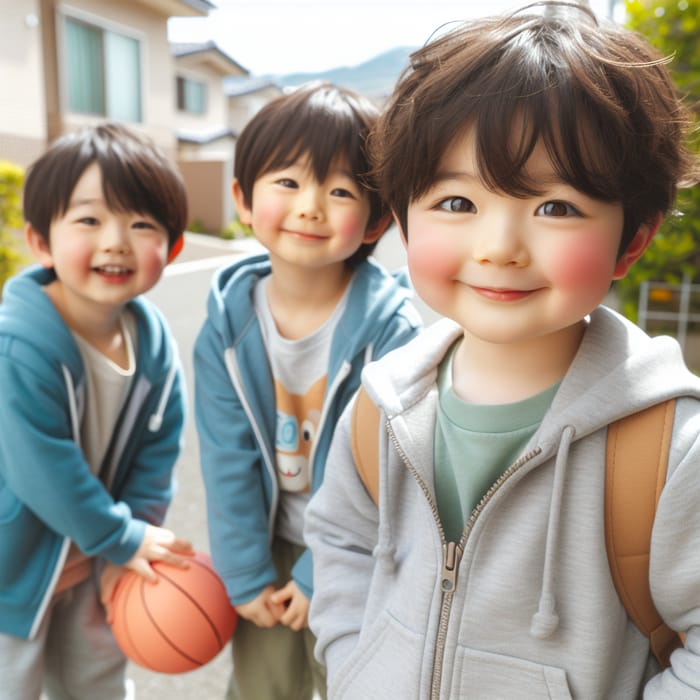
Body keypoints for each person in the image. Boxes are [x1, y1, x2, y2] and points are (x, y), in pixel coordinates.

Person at [304, 3, 700, 698]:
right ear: (401, 217)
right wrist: (353, 666)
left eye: (556, 207)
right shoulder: (382, 405)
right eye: (457, 203)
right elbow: (341, 543)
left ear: (631, 240)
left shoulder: (671, 447)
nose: (499, 247)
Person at [193, 81, 422, 700]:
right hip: (266, 541)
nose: (311, 205)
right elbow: (227, 457)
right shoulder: (226, 325)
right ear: (243, 199)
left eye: (340, 189)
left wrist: (322, 571)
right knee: (264, 686)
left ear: (377, 219)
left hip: (363, 549)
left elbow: (386, 474)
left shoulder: (393, 332)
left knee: (352, 679)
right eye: (288, 182)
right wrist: (243, 576)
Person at [0, 122, 193, 700]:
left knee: (98, 682)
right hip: (13, 562)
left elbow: (158, 451)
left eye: (141, 224)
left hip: (96, 552)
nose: (116, 241)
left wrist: (132, 532)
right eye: (89, 220)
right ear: (40, 241)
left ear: (172, 248)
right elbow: (42, 466)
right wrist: (122, 536)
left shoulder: (154, 343)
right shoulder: (20, 344)